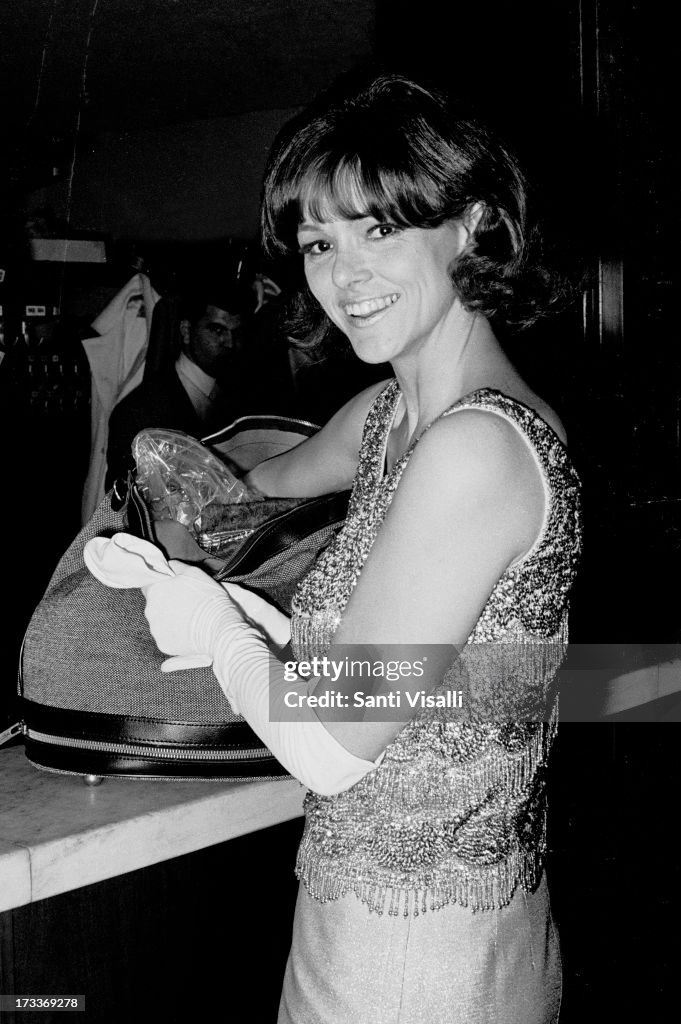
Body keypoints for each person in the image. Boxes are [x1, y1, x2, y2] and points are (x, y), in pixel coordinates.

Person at [136, 73, 582, 1022]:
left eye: (378, 229)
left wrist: (220, 627)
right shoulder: (386, 418)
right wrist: (167, 481)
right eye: (318, 244)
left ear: (468, 226)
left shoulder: (475, 447)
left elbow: (333, 746)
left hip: (420, 957)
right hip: (361, 908)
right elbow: (234, 499)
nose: (344, 275)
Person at [105, 282, 255, 490]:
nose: (229, 343)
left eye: (236, 333)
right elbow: (125, 508)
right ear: (186, 331)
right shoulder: (140, 412)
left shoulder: (240, 399)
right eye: (217, 330)